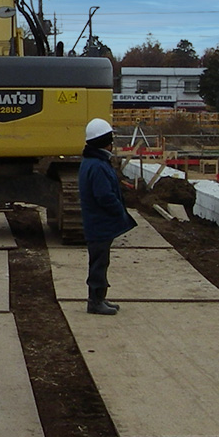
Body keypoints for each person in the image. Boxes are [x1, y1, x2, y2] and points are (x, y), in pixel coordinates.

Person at [78, 118, 137, 316]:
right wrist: (118, 210)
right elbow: (104, 195)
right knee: (99, 263)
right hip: (99, 224)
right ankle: (95, 301)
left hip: (98, 223)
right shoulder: (96, 165)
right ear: (104, 141)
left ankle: (99, 298)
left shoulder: (94, 162)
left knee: (101, 262)